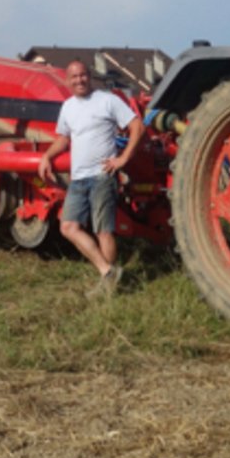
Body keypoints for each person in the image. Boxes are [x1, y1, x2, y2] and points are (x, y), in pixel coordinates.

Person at [37, 60, 144, 299]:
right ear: (68, 80)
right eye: (74, 77)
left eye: (83, 75)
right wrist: (47, 156)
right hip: (78, 177)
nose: (79, 80)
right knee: (68, 227)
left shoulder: (108, 100)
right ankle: (107, 271)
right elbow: (63, 139)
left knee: (103, 231)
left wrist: (123, 158)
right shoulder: (68, 107)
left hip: (102, 176)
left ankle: (108, 286)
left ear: (90, 76)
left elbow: (137, 126)